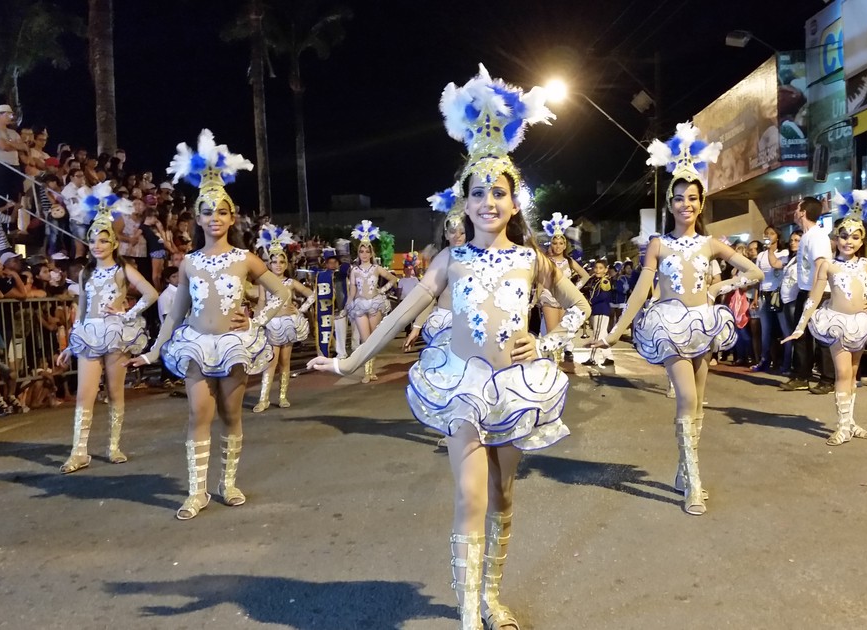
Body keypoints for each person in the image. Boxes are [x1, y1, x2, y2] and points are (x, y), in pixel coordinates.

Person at [309, 65, 586, 630]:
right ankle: (466, 613)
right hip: (462, 387)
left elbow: (579, 306)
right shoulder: (449, 261)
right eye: (478, 192)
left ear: (515, 201)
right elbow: (395, 318)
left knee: (504, 497)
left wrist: (549, 342)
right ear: (464, 202)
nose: (489, 201)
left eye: (499, 192)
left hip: (516, 390)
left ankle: (490, 597)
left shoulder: (534, 259)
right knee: (470, 499)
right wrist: (348, 361)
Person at [592, 122, 763, 516]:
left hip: (704, 323)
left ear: (701, 204)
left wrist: (718, 290)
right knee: (686, 397)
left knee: (698, 403)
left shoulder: (710, 243)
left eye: (692, 198)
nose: (686, 204)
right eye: (679, 198)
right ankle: (695, 484)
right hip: (669, 325)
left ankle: (683, 470)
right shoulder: (658, 245)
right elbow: (639, 292)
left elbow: (754, 273)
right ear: (669, 203)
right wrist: (616, 332)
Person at [128, 130, 290, 521]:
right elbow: (175, 314)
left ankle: (227, 483)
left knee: (231, 417)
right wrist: (152, 351)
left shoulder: (246, 258)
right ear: (197, 217)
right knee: (197, 414)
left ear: (232, 217)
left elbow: (282, 294)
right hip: (197, 345)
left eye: (221, 211)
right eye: (207, 211)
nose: (214, 218)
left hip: (234, 345)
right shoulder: (189, 262)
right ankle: (196, 491)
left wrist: (257, 317)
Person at [55, 184, 158, 473]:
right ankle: (79, 451)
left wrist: (128, 312)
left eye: (103, 240)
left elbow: (151, 294)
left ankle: (113, 446)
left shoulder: (124, 269)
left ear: (113, 243)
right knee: (84, 393)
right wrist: (70, 345)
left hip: (115, 333)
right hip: (88, 334)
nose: (97, 245)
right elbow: (82, 310)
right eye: (92, 241)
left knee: (115, 392)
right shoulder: (86, 272)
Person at [785, 190, 867, 445]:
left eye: (854, 237)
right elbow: (813, 297)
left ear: (862, 240)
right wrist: (800, 327)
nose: (848, 242)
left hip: (862, 324)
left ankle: (851, 422)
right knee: (842, 374)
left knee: (852, 375)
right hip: (837, 323)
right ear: (836, 238)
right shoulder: (828, 265)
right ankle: (842, 426)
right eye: (843, 236)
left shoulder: (866, 264)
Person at [252, 224, 314, 412]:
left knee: (285, 362)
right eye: (274, 262)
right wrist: (257, 323)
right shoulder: (264, 283)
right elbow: (261, 302)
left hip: (287, 325)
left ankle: (282, 396)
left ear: (286, 264)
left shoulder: (290, 283)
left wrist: (300, 310)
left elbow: (312, 294)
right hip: (271, 325)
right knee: (270, 362)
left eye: (281, 261)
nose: (278, 265)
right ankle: (263, 399)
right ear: (269, 264)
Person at [403, 194, 466, 353]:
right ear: (445, 234)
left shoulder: (479, 260)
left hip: (468, 325)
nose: (457, 235)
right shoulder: (441, 260)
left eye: (462, 231)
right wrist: (416, 327)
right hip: (443, 323)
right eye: (452, 231)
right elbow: (429, 297)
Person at [787, 196, 836, 394]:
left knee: (822, 336)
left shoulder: (817, 236)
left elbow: (820, 265)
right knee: (801, 335)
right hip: (805, 289)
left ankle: (828, 379)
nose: (795, 211)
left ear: (803, 212)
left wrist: (813, 293)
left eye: (797, 208)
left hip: (818, 292)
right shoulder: (807, 236)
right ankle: (801, 375)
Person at [346, 220, 398, 383]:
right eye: (362, 251)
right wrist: (349, 303)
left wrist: (381, 291)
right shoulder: (354, 270)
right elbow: (353, 289)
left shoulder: (376, 268)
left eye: (367, 251)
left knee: (373, 339)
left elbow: (393, 279)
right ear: (358, 253)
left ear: (371, 253)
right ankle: (367, 373)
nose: (364, 254)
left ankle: (370, 371)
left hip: (375, 303)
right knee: (365, 339)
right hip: (360, 305)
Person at [538, 212, 588, 364]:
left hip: (564, 301)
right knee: (552, 334)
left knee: (561, 336)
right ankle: (550, 366)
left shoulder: (570, 261)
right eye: (555, 243)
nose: (558, 246)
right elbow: (540, 281)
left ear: (565, 245)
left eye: (561, 243)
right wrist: (534, 299)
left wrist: (575, 288)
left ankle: (555, 367)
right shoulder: (546, 260)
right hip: (549, 298)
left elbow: (585, 276)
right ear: (550, 244)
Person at [752, 226, 790, 372]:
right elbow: (758, 277)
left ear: (778, 237)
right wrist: (755, 297)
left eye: (772, 233)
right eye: (766, 233)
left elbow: (779, 268)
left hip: (778, 294)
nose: (768, 236)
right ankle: (764, 360)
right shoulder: (761, 255)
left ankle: (786, 363)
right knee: (765, 331)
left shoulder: (784, 253)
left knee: (785, 330)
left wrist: (771, 251)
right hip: (764, 294)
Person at [0, 105, 27, 202]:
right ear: (0, 115)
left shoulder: (13, 132)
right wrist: (15, 145)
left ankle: (13, 216)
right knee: (1, 195)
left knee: (17, 196)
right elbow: (3, 146)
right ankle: (2, 216)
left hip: (16, 166)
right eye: (8, 115)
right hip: (1, 164)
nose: (11, 117)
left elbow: (24, 147)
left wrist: (9, 143)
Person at [580, 258, 616, 367]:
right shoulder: (595, 280)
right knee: (602, 334)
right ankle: (608, 356)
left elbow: (605, 296)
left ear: (606, 270)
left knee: (597, 335)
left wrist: (590, 301)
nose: (597, 270)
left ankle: (593, 358)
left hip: (601, 310)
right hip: (597, 310)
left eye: (600, 268)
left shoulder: (604, 281)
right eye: (596, 267)